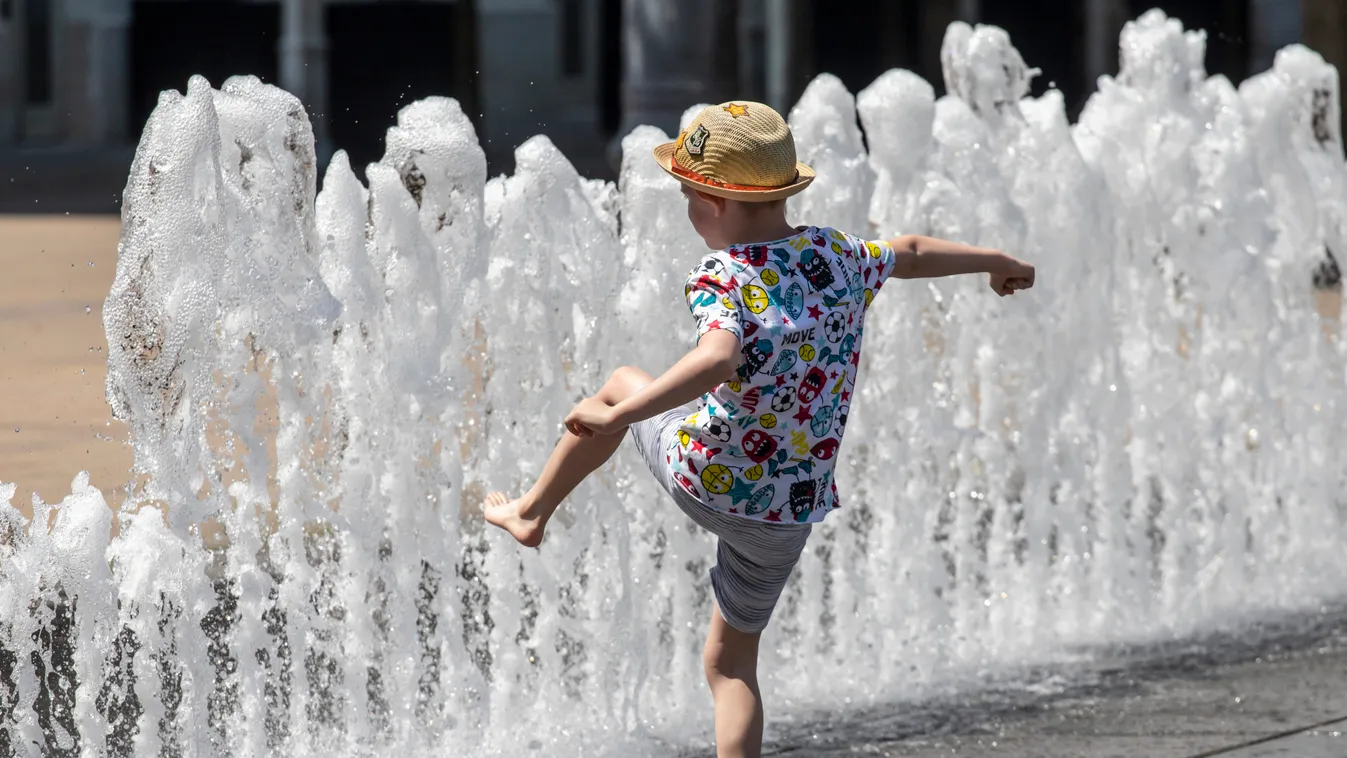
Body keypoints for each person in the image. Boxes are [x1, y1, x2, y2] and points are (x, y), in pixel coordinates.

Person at [484, 101, 1035, 757]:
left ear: (712, 203)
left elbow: (716, 358)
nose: (687, 209)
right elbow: (911, 251)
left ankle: (530, 511)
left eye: (688, 196)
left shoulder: (724, 274)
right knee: (730, 666)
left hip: (709, 480)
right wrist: (997, 258)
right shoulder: (837, 254)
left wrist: (619, 414)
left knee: (620, 382)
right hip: (787, 512)